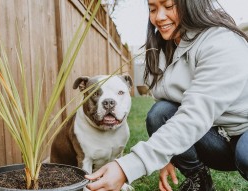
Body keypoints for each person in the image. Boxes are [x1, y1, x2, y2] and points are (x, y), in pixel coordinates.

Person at [85, 0, 248, 190]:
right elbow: (171, 108)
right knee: (160, 113)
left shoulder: (221, 42)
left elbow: (194, 117)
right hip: (217, 135)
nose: (159, 17)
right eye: (153, 9)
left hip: (243, 129)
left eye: (168, 6)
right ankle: (200, 180)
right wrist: (167, 156)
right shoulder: (165, 46)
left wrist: (126, 167)